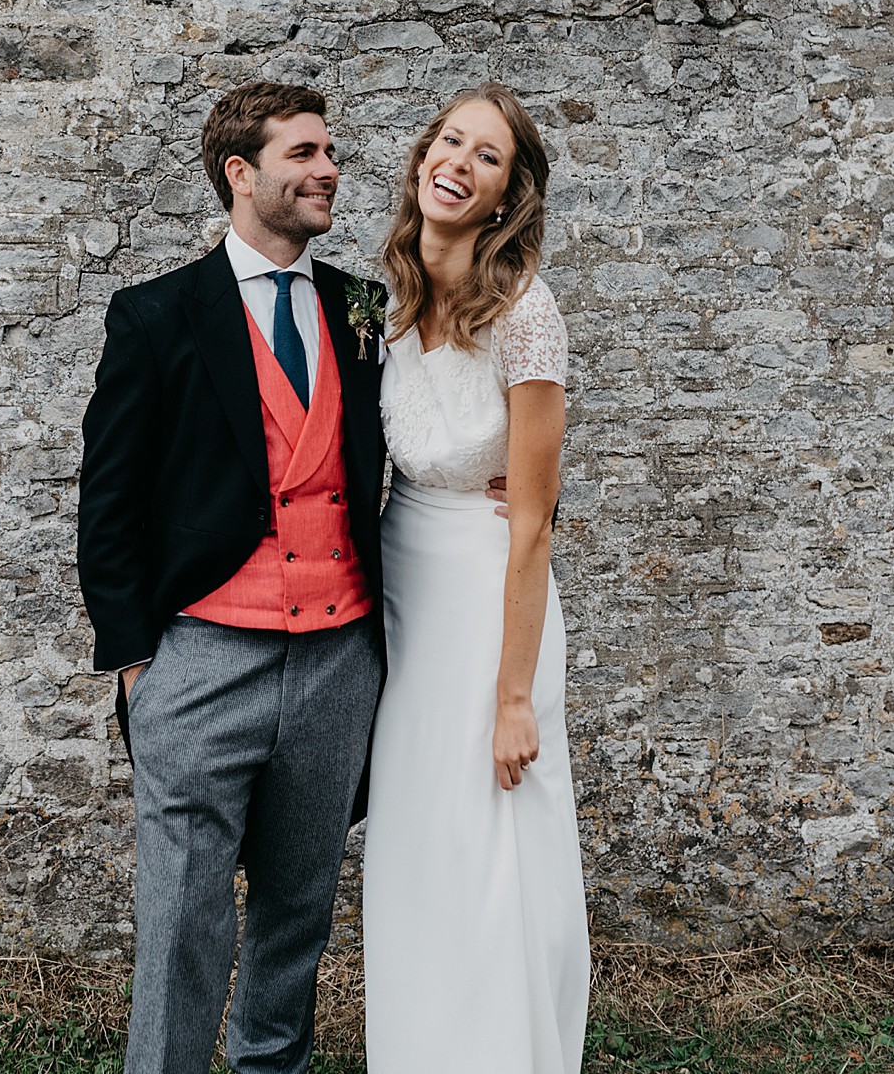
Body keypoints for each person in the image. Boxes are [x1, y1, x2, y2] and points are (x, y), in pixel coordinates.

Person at [77, 82, 387, 1074]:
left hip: (336, 661)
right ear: (239, 173)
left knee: (297, 919)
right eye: (301, 153)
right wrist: (137, 666)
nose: (326, 169)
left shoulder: (361, 307)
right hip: (202, 660)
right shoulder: (157, 315)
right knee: (180, 922)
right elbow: (108, 502)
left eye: (329, 151)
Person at [361, 82, 591, 1072]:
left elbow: (533, 521)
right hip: (403, 586)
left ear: (505, 193)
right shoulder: (384, 291)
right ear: (422, 157)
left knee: (491, 827)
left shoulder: (526, 315)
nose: (456, 161)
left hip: (493, 598)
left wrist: (512, 698)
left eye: (485, 155)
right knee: (418, 834)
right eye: (447, 140)